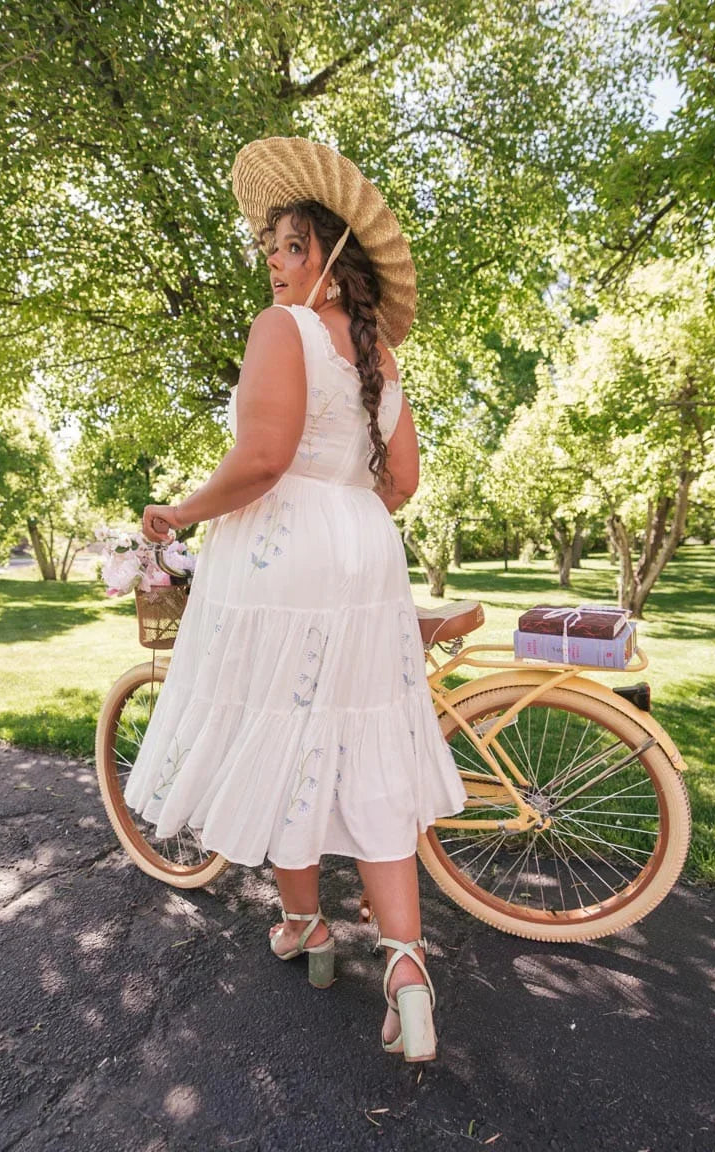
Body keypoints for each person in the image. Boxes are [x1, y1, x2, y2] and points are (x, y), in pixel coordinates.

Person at [126, 137, 466, 1062]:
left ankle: (308, 926)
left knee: (289, 728)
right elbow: (403, 479)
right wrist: (345, 511)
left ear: (323, 253)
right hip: (364, 550)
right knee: (359, 735)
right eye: (269, 246)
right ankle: (404, 966)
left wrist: (180, 512)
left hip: (284, 558)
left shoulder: (280, 329)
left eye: (285, 244)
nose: (271, 262)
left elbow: (263, 460)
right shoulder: (378, 350)